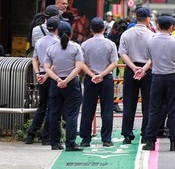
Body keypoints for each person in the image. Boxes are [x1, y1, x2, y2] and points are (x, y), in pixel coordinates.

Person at [142, 16, 175, 151]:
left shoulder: (151, 40)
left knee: (154, 109)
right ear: (172, 26)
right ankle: (174, 141)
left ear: (158, 25)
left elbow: (150, 58)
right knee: (173, 109)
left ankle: (150, 140)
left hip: (156, 77)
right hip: (171, 76)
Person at [44, 21, 85, 151]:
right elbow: (78, 67)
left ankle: (55, 143)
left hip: (55, 84)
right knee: (71, 114)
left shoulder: (51, 48)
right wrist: (66, 80)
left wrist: (58, 79)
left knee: (54, 114)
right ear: (71, 33)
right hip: (72, 83)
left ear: (57, 33)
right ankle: (70, 143)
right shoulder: (75, 47)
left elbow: (47, 68)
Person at [79, 17, 119, 147]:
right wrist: (102, 74)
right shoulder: (110, 44)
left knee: (87, 109)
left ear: (91, 30)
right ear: (104, 29)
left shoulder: (85, 44)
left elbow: (81, 63)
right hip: (106, 79)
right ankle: (106, 139)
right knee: (107, 109)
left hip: (90, 79)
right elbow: (114, 63)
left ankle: (85, 139)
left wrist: (92, 75)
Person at [119, 6, 155, 144]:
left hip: (131, 69)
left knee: (128, 102)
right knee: (148, 104)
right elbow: (154, 56)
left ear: (135, 17)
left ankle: (127, 134)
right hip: (148, 70)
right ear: (147, 19)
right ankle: (146, 134)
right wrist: (144, 69)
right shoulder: (151, 35)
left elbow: (122, 53)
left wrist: (134, 68)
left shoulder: (127, 34)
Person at [26, 17, 61, 145]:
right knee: (52, 107)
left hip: (41, 75)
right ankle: (45, 136)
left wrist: (38, 74)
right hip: (51, 76)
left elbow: (34, 59)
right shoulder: (57, 42)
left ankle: (31, 134)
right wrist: (47, 74)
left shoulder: (39, 41)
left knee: (42, 106)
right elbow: (56, 61)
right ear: (57, 28)